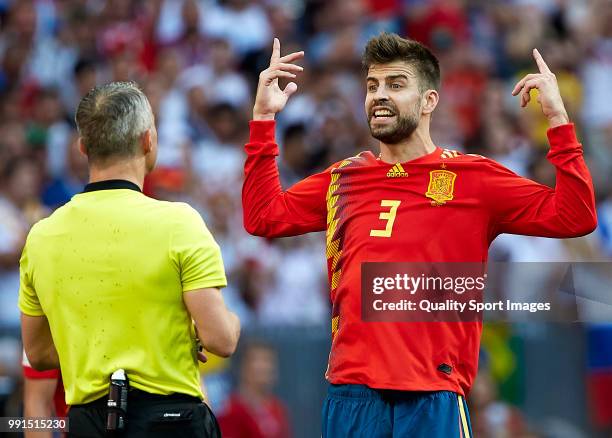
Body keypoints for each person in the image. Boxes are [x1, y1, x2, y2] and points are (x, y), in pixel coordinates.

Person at [242, 34, 597, 437]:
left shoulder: (474, 178)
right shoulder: (344, 178)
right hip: (352, 393)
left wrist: (557, 121)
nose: (379, 95)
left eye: (396, 85)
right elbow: (263, 217)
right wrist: (263, 120)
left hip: (432, 392)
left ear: (429, 101)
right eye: (372, 86)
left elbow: (576, 217)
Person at [19, 82, 241, 437]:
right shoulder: (179, 222)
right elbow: (222, 340)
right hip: (172, 422)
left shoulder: (42, 237)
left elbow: (39, 353)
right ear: (147, 141)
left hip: (88, 424)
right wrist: (222, 323)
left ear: (82, 148)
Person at [217, 341, 291, 438]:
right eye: (259, 361)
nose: (265, 367)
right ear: (243, 367)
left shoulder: (278, 409)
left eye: (269, 361)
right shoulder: (230, 410)